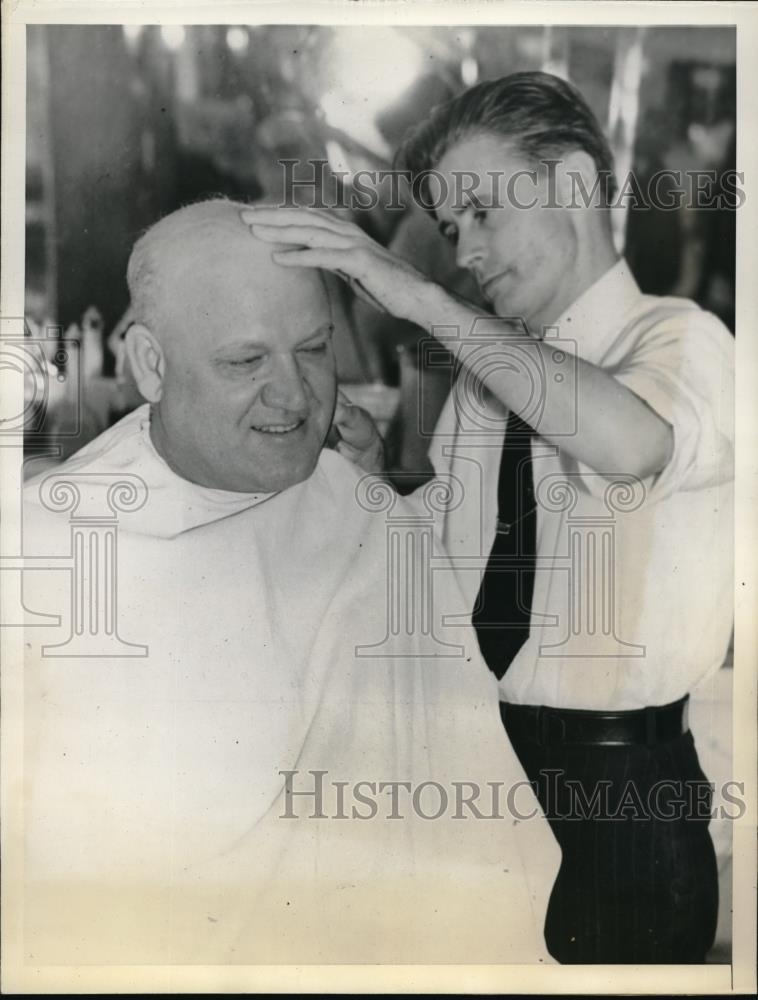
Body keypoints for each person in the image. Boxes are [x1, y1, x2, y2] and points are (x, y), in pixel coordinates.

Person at [242, 71, 735, 963]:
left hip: (623, 800)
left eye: (481, 211)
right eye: (449, 229)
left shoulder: (684, 340)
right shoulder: (485, 384)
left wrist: (418, 294)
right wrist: (362, 477)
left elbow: (632, 446)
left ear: (577, 182)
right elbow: (446, 561)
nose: (464, 250)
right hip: (487, 774)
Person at [21, 199, 558, 966]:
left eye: (313, 350)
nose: (296, 396)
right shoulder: (47, 552)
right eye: (246, 362)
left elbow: (477, 860)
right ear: (149, 364)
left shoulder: (374, 527)